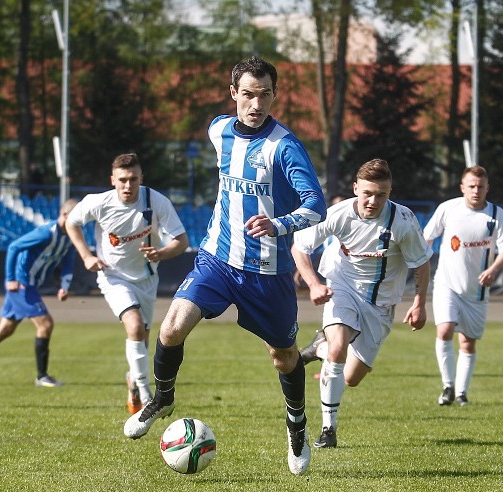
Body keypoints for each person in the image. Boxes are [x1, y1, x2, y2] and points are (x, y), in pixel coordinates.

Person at [122, 56, 327, 476]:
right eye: (248, 94)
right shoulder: (218, 130)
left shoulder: (284, 146)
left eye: (265, 94)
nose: (256, 104)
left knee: (284, 356)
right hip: (217, 258)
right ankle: (162, 398)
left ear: (274, 95)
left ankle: (297, 425)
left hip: (268, 274)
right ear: (234, 93)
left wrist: (278, 223)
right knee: (172, 326)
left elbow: (317, 206)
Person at [293, 158, 432, 449]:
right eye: (367, 193)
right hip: (341, 287)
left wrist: (420, 303)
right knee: (339, 346)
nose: (373, 200)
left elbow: (421, 263)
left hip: (381, 305)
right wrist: (314, 284)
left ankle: (318, 348)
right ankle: (328, 430)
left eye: (381, 194)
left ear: (389, 192)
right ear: (355, 188)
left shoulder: (403, 221)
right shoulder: (338, 213)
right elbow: (300, 246)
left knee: (352, 377)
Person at [65, 153, 189, 414]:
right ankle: (146, 396)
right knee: (133, 327)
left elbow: (181, 241)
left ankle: (133, 380)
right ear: (113, 180)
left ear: (141, 179)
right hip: (113, 276)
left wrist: (162, 253)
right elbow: (71, 222)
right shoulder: (98, 202)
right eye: (122, 180)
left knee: (142, 338)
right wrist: (87, 256)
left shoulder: (156, 201)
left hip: (147, 278)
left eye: (133, 179)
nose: (128, 185)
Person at [0, 199, 79, 388]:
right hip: (22, 284)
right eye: (76, 217)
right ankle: (42, 376)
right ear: (64, 215)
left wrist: (65, 285)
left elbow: (69, 262)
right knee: (46, 324)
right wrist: (10, 278)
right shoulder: (47, 233)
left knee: (5, 328)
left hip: (30, 285)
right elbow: (14, 247)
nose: (79, 222)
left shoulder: (71, 237)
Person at [423, 165, 503, 406]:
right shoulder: (448, 209)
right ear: (462, 187)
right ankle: (447, 386)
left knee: (467, 341)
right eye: (472, 186)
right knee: (444, 330)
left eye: (481, 187)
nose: (476, 191)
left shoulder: (497, 215)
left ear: (488, 188)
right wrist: (420, 258)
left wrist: (493, 270)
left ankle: (462, 392)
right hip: (447, 284)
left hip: (476, 289)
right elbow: (428, 236)